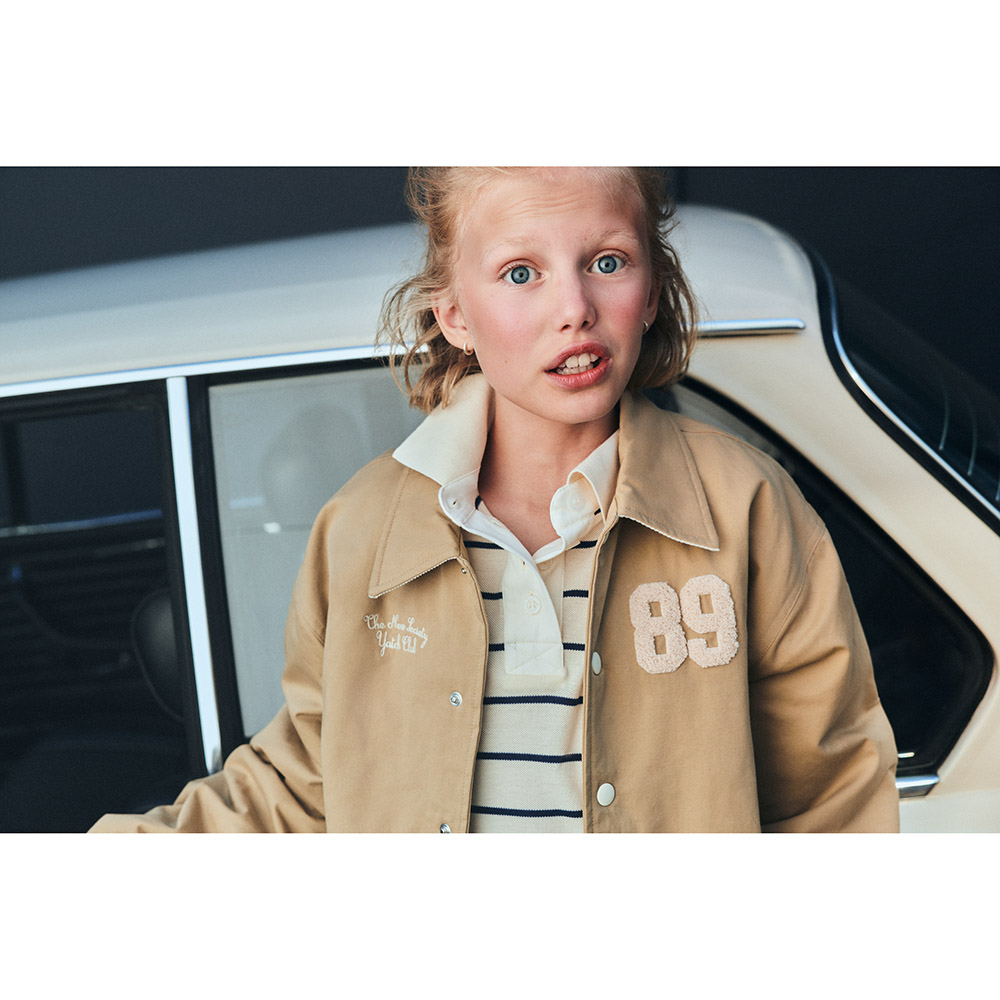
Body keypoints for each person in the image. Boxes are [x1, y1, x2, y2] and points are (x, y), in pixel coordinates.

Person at [91, 167, 899, 833]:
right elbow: (306, 782)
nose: (574, 308)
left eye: (608, 262)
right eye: (521, 273)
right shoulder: (362, 528)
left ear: (652, 291)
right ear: (455, 316)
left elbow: (834, 794)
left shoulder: (747, 507)